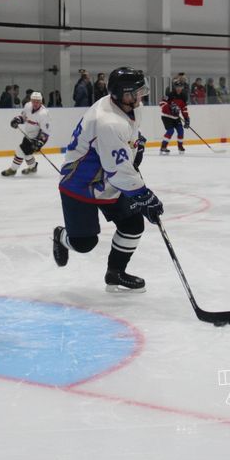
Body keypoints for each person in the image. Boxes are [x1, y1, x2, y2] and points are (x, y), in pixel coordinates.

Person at [52, 67, 161, 293]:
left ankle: (115, 273)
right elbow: (118, 171)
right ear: (124, 94)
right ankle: (61, 236)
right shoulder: (108, 122)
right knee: (84, 244)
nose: (141, 97)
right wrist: (143, 195)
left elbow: (128, 136)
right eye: (137, 93)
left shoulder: (127, 107)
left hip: (109, 181)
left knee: (133, 225)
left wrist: (136, 144)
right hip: (80, 184)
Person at [1, 91, 50, 176]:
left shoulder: (43, 114)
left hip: (36, 137)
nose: (35, 103)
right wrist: (17, 120)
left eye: (38, 101)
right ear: (31, 100)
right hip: (28, 135)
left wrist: (39, 143)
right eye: (34, 101)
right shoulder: (27, 106)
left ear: (41, 102)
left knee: (20, 151)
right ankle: (33, 167)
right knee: (27, 154)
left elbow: (46, 131)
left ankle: (13, 170)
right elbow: (24, 117)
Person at [159, 81, 190, 155]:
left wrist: (186, 119)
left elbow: (184, 108)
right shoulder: (169, 94)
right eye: (177, 87)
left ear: (182, 87)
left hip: (176, 117)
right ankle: (163, 147)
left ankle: (180, 146)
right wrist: (170, 108)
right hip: (166, 116)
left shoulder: (184, 96)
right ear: (174, 87)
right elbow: (161, 103)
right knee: (170, 131)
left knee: (181, 131)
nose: (179, 88)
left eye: (180, 87)